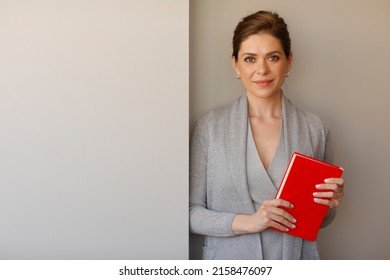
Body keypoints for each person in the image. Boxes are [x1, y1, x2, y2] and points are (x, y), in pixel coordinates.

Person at [189, 10, 345, 260]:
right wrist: (250, 222)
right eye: (250, 59)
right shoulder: (210, 128)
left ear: (289, 61)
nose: (262, 69)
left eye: (273, 57)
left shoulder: (315, 128)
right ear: (235, 63)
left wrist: (328, 205)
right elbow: (190, 213)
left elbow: (321, 221)